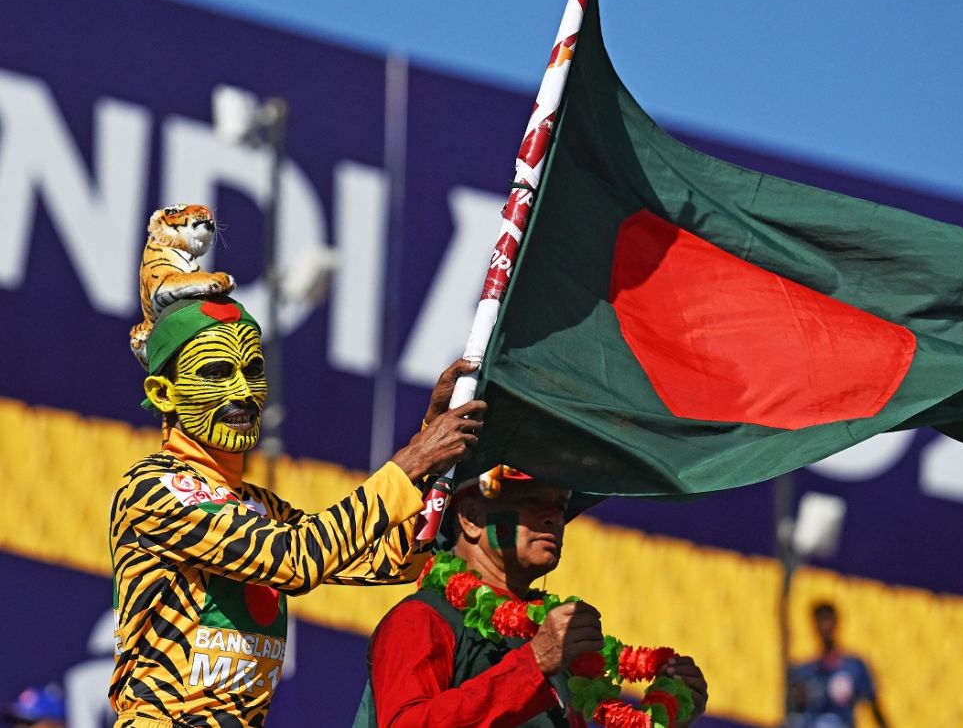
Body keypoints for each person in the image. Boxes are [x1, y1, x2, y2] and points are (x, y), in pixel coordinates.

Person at [109, 291, 483, 728]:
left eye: (252, 371)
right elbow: (293, 561)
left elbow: (388, 562)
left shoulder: (260, 505)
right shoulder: (153, 488)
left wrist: (427, 442)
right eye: (216, 373)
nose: (243, 392)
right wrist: (409, 463)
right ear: (163, 393)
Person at [358, 465, 710, 727]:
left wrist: (668, 713)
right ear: (471, 518)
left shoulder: (549, 640)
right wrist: (534, 665)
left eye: (560, 505)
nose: (554, 518)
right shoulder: (421, 618)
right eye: (531, 500)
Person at [787, 602, 888, 728]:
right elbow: (795, 712)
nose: (825, 627)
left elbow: (874, 708)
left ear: (836, 623)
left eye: (828, 620)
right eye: (820, 622)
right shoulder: (805, 671)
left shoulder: (855, 666)